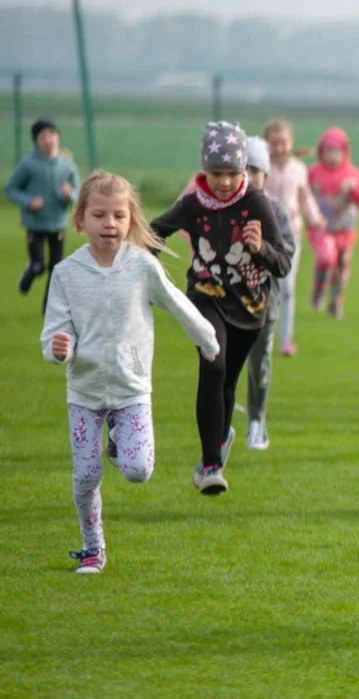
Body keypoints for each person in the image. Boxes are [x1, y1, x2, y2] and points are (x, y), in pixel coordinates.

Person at [40, 171, 220, 573]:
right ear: (80, 220)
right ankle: (92, 547)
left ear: (131, 219)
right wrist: (58, 349)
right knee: (86, 476)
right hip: (84, 392)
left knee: (139, 471)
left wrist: (207, 340)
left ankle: (120, 444)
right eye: (100, 215)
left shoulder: (141, 266)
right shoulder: (66, 274)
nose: (110, 224)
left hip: (132, 388)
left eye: (119, 216)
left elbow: (177, 303)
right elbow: (54, 331)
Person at [150, 121, 290, 495]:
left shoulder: (256, 203)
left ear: (244, 170)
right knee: (213, 363)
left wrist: (260, 248)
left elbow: (283, 265)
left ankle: (217, 445)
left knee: (227, 381)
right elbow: (154, 231)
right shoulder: (193, 205)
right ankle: (211, 463)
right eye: (216, 173)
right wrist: (141, 269)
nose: (225, 182)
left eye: (233, 173)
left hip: (249, 308)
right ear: (204, 169)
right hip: (205, 296)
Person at [242, 137, 297, 451]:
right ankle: (219, 427)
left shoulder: (274, 210)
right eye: (242, 169)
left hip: (264, 303)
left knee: (259, 364)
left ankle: (256, 420)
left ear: (265, 175)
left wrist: (260, 248)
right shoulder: (223, 209)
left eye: (254, 169)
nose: (247, 176)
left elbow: (285, 256)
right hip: (226, 302)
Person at [263, 118, 325, 357]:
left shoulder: (299, 168)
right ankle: (262, 335)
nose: (279, 148)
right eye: (274, 143)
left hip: (291, 237)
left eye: (283, 143)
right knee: (264, 288)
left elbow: (305, 197)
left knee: (287, 287)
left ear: (291, 142)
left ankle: (286, 339)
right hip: (264, 238)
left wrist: (315, 217)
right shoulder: (259, 168)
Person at [6, 118, 80, 314]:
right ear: (36, 141)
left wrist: (69, 194)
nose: (49, 141)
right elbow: (11, 188)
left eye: (52, 136)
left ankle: (48, 308)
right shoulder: (28, 165)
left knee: (56, 270)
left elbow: (78, 191)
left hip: (58, 224)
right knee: (39, 266)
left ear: (58, 138)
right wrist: (28, 201)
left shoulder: (66, 165)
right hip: (36, 223)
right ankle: (30, 272)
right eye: (44, 137)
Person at [307, 127, 359, 319]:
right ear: (321, 152)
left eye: (337, 151)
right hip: (322, 228)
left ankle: (336, 301)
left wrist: (354, 190)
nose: (332, 156)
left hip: (345, 229)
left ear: (345, 153)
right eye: (328, 151)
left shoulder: (353, 174)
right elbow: (303, 195)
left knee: (342, 264)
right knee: (326, 259)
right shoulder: (313, 173)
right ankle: (318, 292)